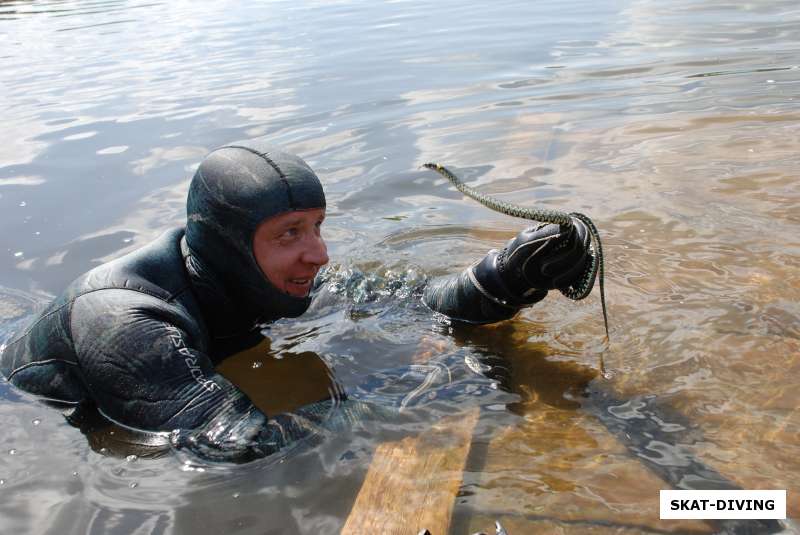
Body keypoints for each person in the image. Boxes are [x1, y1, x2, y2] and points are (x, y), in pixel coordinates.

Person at [0, 138, 593, 463]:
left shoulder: (254, 274)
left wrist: (504, 276)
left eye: (317, 226)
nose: (319, 254)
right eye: (291, 233)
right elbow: (235, 443)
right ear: (231, 244)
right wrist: (400, 400)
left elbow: (415, 301)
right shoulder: (125, 319)